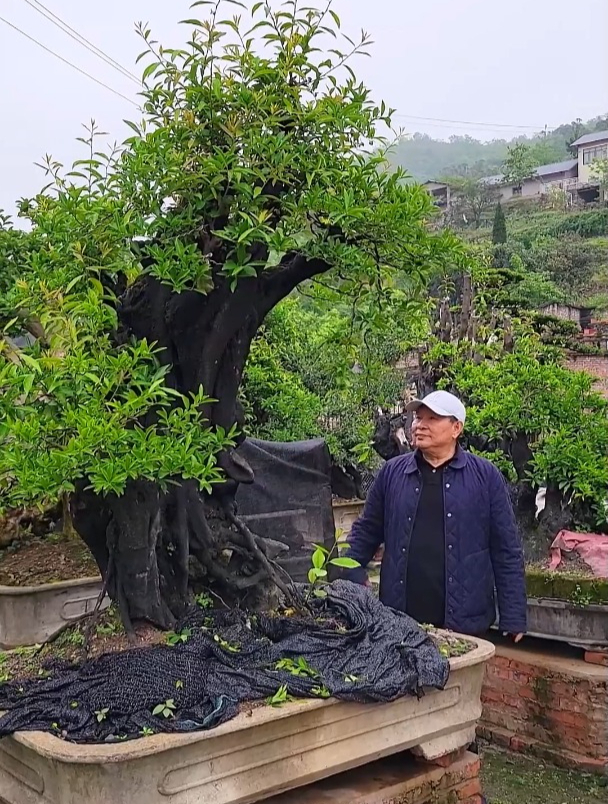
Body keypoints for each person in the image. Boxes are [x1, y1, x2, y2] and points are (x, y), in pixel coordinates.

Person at [345, 390, 527, 639]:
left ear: (456, 428)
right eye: (418, 418)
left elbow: (506, 548)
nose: (419, 425)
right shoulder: (393, 473)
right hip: (399, 619)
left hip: (464, 619)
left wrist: (514, 614)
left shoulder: (485, 477)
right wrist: (351, 573)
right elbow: (366, 530)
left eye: (432, 419)